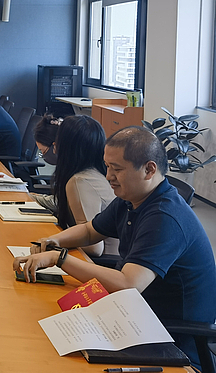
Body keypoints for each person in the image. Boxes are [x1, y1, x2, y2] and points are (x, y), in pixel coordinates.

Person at [13, 126, 216, 369]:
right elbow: (90, 231)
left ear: (149, 170)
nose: (108, 176)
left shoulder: (165, 217)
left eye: (117, 169)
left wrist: (60, 258)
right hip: (134, 315)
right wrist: (53, 241)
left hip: (170, 339)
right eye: (107, 166)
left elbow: (129, 283)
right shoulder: (133, 198)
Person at [46, 115, 117, 257]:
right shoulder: (95, 174)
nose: (54, 144)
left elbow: (94, 248)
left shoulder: (80, 182)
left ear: (66, 147)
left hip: (103, 263)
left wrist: (55, 239)